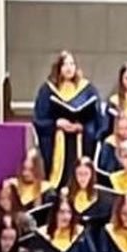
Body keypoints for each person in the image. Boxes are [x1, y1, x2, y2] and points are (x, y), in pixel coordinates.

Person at [33, 50, 102, 189]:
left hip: (80, 139)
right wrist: (56, 124)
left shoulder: (87, 89)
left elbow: (97, 118)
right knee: (60, 178)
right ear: (58, 68)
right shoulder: (47, 89)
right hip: (57, 140)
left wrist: (82, 126)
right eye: (65, 64)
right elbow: (39, 118)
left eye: (72, 64)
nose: (69, 68)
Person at [9, 149, 57, 225]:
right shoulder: (12, 186)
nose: (25, 173)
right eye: (24, 169)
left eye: (30, 170)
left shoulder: (47, 191)